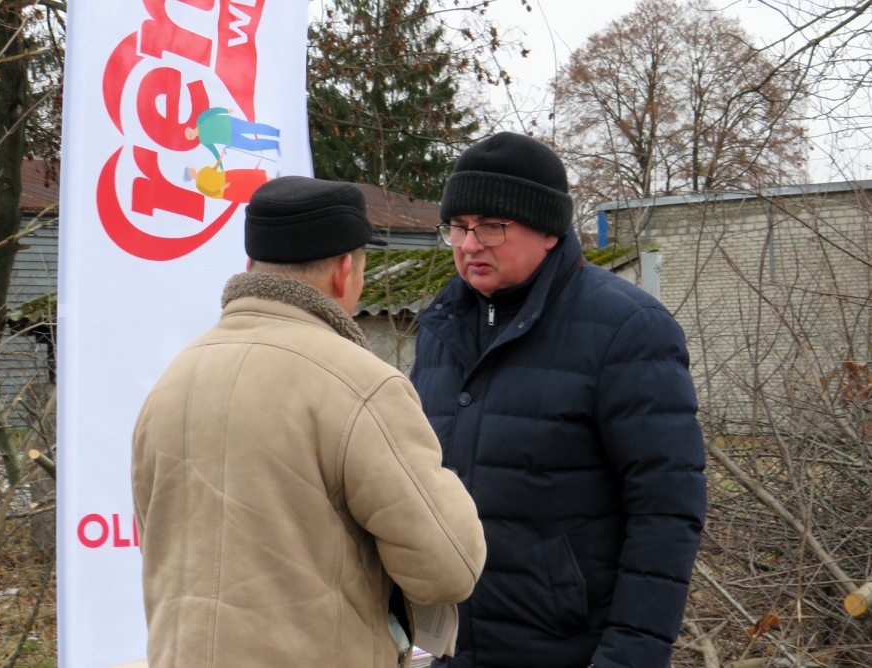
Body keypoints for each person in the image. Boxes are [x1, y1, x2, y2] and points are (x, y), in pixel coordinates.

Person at [132, 176, 487, 668]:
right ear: (344, 271)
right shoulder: (360, 385)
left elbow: (156, 536)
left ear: (251, 266)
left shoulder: (173, 380)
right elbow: (449, 567)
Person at [411, 132, 706, 668]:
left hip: (568, 648)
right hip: (447, 649)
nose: (469, 245)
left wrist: (630, 656)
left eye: (491, 226)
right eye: (457, 226)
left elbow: (666, 510)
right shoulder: (439, 328)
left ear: (548, 230)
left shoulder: (628, 328)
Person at [184, 107, 280, 161]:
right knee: (251, 146)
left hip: (230, 124)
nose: (192, 137)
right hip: (230, 139)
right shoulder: (203, 140)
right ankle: (275, 145)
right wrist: (220, 165)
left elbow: (212, 112)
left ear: (190, 129)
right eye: (190, 138)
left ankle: (276, 132)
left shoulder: (200, 120)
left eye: (189, 135)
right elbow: (213, 151)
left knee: (252, 128)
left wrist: (226, 111)